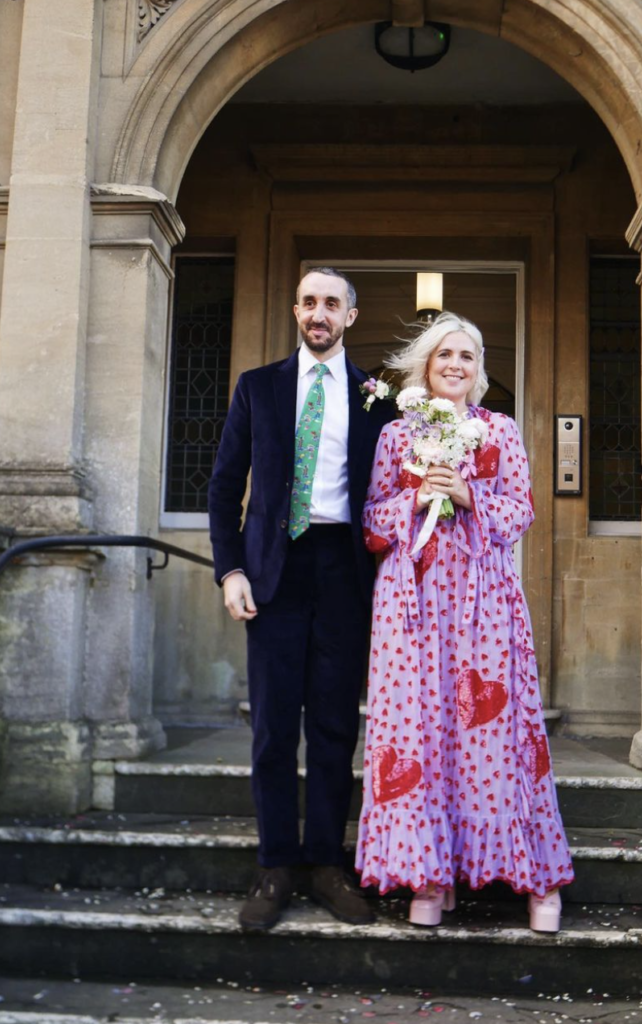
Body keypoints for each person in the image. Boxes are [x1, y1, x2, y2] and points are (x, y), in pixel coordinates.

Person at [355, 311, 574, 930]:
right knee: (420, 732)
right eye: (445, 354)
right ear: (427, 366)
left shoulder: (498, 431)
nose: (456, 364)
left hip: (484, 600)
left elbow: (522, 511)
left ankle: (537, 879)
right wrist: (417, 498)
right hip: (413, 602)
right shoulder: (397, 435)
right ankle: (429, 874)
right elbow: (371, 522)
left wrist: (467, 494)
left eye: (468, 357)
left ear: (479, 371)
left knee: (496, 737)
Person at [208, 268, 394, 932]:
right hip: (273, 574)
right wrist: (229, 570)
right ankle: (275, 864)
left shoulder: (377, 396)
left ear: (350, 315)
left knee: (335, 725)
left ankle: (324, 862)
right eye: (309, 302)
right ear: (295, 310)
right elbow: (225, 483)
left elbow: (396, 484)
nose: (319, 313)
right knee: (273, 726)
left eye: (331, 305)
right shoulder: (258, 388)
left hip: (345, 570)